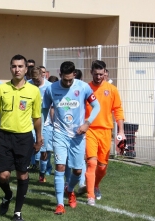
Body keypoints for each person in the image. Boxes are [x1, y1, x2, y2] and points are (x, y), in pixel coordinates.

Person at [0, 54, 43, 221]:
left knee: (22, 175)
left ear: (26, 69)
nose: (17, 69)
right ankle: (8, 195)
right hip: (4, 137)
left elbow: (37, 118)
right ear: (10, 68)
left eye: (20, 66)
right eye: (14, 66)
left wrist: (39, 138)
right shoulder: (1, 89)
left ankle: (17, 212)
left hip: (24, 138)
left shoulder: (34, 91)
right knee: (3, 176)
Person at [42, 61, 100, 215]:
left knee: (78, 171)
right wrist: (41, 130)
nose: (68, 82)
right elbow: (44, 109)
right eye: (64, 79)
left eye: (70, 79)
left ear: (74, 74)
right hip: (59, 133)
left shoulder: (83, 87)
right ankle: (60, 204)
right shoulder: (51, 89)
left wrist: (87, 123)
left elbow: (97, 106)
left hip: (78, 135)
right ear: (60, 74)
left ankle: (70, 189)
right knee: (60, 167)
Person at [84, 60, 125, 206]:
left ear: (105, 73)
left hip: (106, 131)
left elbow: (118, 110)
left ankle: (95, 185)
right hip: (90, 130)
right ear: (91, 72)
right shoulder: (86, 88)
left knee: (102, 167)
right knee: (92, 163)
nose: (98, 77)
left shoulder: (112, 89)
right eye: (96, 74)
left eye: (101, 74)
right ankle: (90, 196)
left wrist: (121, 131)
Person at [28, 67, 53, 182]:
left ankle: (42, 174)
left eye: (37, 79)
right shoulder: (28, 85)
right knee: (28, 147)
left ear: (42, 76)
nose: (35, 81)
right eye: (33, 79)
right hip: (29, 122)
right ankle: (24, 170)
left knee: (43, 151)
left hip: (45, 124)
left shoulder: (49, 87)